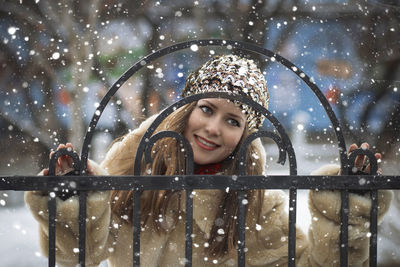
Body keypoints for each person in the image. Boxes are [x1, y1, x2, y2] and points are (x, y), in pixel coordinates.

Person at [25, 55, 392, 266]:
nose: (214, 128)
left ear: (246, 135)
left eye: (233, 121)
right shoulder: (133, 167)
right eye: (206, 109)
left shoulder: (254, 202)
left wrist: (344, 208)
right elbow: (78, 256)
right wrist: (73, 203)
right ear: (186, 109)